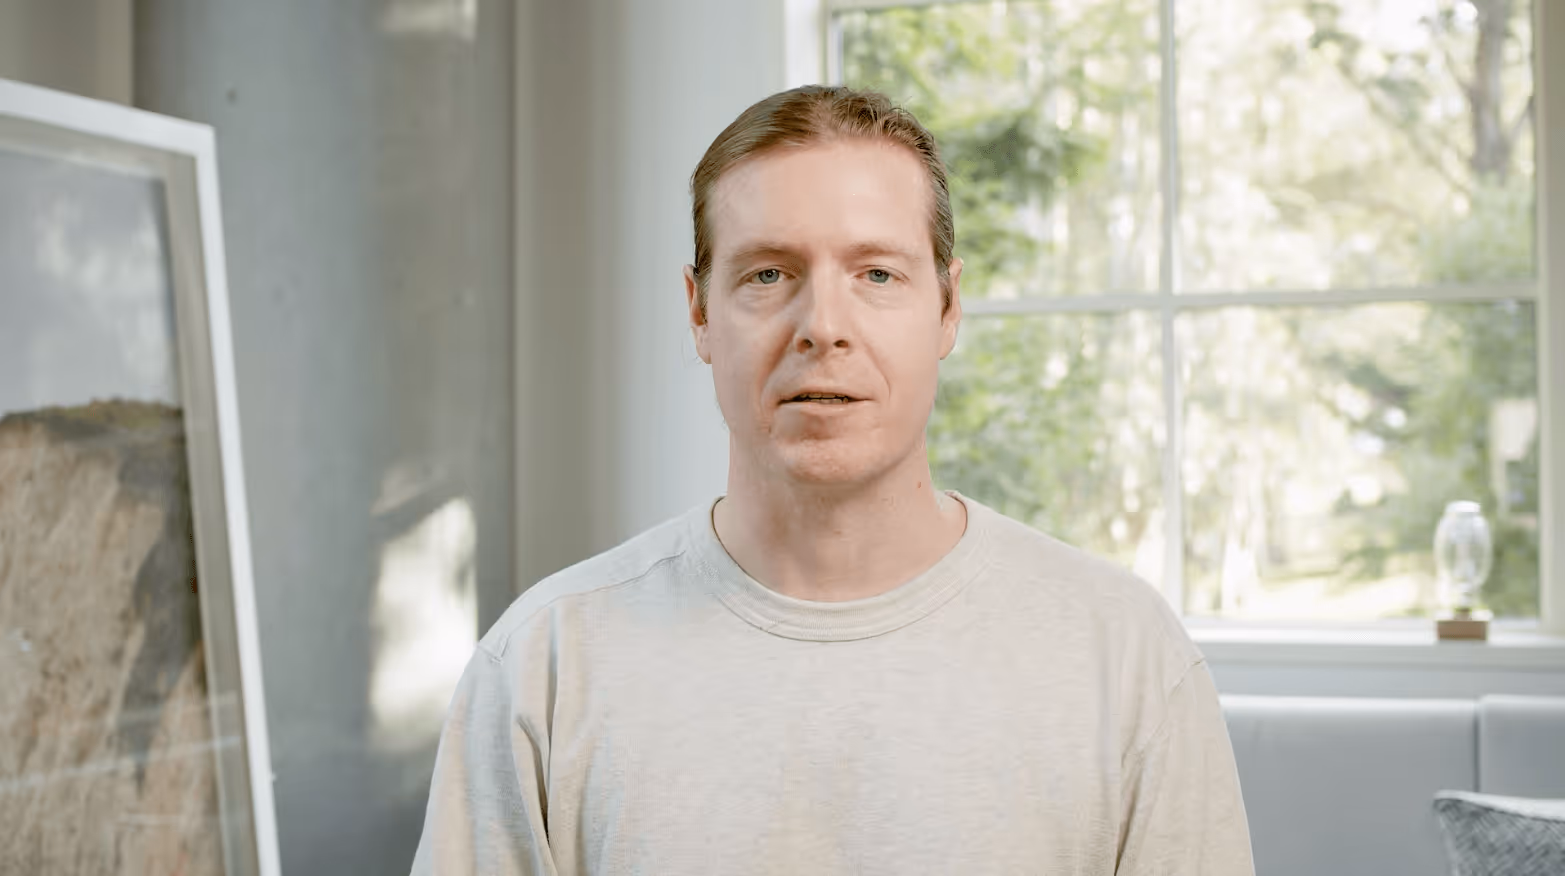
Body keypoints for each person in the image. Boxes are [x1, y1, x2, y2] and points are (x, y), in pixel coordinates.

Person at [410, 84, 1254, 876]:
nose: (823, 327)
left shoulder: (1123, 653)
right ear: (699, 310)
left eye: (876, 274)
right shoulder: (543, 666)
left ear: (947, 308)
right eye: (768, 274)